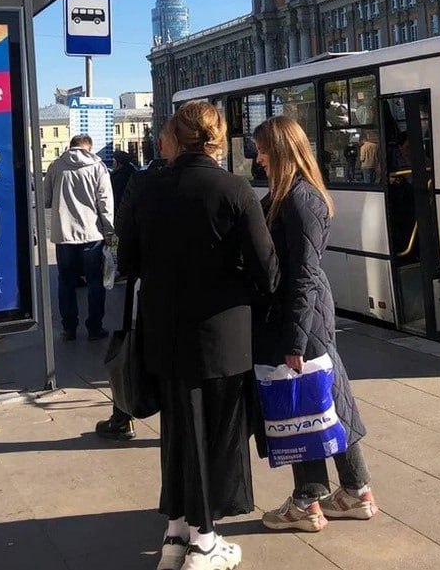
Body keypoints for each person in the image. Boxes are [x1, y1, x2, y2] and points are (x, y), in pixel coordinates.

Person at [121, 101, 279, 570]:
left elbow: (128, 263)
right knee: (215, 438)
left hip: (163, 335)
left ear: (175, 136)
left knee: (177, 433)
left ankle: (175, 535)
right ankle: (206, 542)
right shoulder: (233, 189)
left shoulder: (145, 188)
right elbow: (266, 272)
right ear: (216, 137)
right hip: (221, 337)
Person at [252, 116, 378, 533]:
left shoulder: (297, 199)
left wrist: (294, 339)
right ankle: (355, 491)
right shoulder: (294, 194)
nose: (259, 158)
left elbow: (303, 273)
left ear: (282, 150)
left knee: (305, 401)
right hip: (307, 315)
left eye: (263, 149)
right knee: (326, 401)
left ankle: (308, 500)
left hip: (301, 315)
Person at [93, 152, 171, 442]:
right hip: (188, 292)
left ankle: (123, 416)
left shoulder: (141, 182)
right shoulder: (212, 181)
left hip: (144, 286)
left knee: (130, 349)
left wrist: (125, 268)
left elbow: (124, 234)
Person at [45, 134, 114, 342]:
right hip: (92, 235)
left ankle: (69, 329)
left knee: (65, 282)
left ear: (70, 146)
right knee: (95, 282)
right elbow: (105, 203)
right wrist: (110, 232)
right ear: (89, 148)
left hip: (64, 235)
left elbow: (46, 199)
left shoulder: (55, 166)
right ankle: (94, 328)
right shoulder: (98, 167)